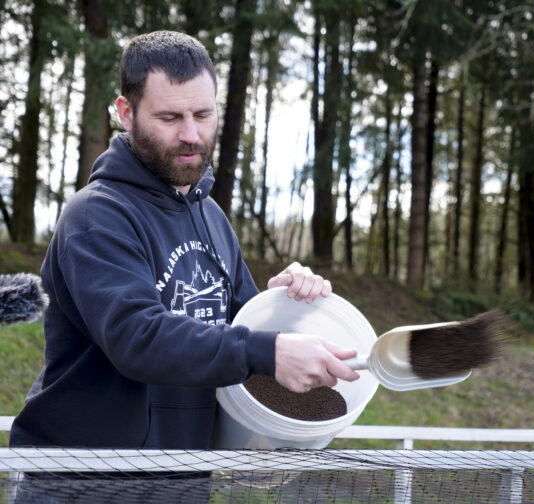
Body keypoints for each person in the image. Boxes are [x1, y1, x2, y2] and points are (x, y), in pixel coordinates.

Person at [9, 30, 359, 453]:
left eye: (203, 114)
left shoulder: (211, 217)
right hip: (84, 481)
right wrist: (268, 350)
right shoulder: (95, 216)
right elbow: (137, 337)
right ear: (126, 112)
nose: (191, 134)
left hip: (182, 476)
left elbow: (241, 339)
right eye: (170, 118)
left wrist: (283, 305)